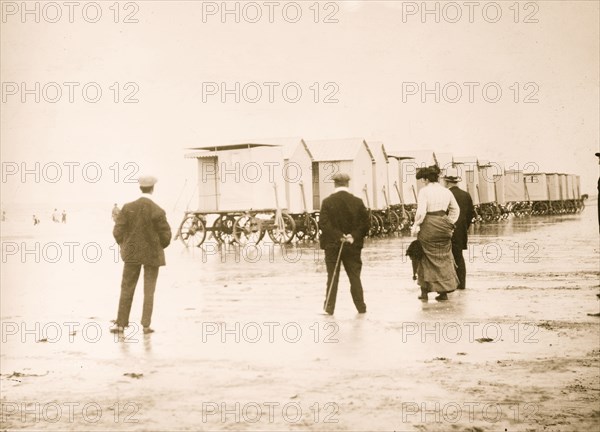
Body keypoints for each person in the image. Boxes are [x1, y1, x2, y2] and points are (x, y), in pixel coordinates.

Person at [112, 176, 172, 334]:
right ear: (153, 188)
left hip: (131, 254)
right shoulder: (158, 210)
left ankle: (121, 324)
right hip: (152, 255)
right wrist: (158, 246)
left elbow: (117, 231)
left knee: (126, 288)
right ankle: (146, 325)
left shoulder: (127, 208)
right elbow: (166, 236)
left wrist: (124, 245)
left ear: (140, 188)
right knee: (149, 290)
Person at [319, 172, 369, 315]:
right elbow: (365, 224)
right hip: (353, 245)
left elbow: (324, 223)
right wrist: (352, 236)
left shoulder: (327, 202)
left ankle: (329, 308)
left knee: (332, 277)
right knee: (354, 277)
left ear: (335, 184)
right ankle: (361, 308)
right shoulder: (358, 201)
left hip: (333, 245)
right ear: (348, 184)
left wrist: (338, 236)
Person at [411, 165, 460, 301]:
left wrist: (415, 225)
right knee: (443, 257)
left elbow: (421, 212)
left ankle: (424, 292)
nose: (423, 182)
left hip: (429, 225)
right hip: (444, 224)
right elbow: (456, 209)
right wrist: (449, 223)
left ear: (426, 178)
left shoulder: (424, 191)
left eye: (424, 179)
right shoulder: (447, 192)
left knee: (425, 257)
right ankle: (443, 292)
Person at [443, 167, 474, 290]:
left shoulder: (446, 194)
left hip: (447, 230)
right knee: (459, 257)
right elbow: (471, 214)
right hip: (461, 231)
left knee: (445, 257)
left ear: (446, 181)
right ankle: (462, 285)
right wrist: (464, 228)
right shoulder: (466, 195)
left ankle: (448, 285)